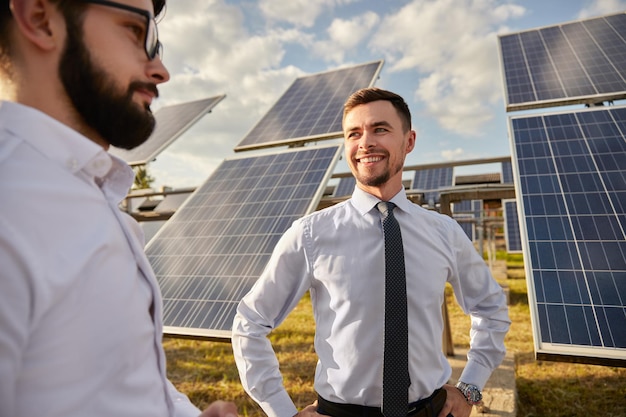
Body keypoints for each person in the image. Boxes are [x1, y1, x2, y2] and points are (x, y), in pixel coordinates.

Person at [0, 1, 237, 416]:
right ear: (39, 18)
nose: (161, 69)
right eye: (134, 31)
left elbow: (111, 381)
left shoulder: (92, 200)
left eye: (157, 44)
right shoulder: (13, 204)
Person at [231, 87, 511, 417]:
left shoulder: (444, 232)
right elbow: (250, 322)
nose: (365, 142)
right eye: (354, 133)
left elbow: (491, 307)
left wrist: (470, 386)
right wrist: (282, 410)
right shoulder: (310, 234)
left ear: (409, 141)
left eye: (380, 129)